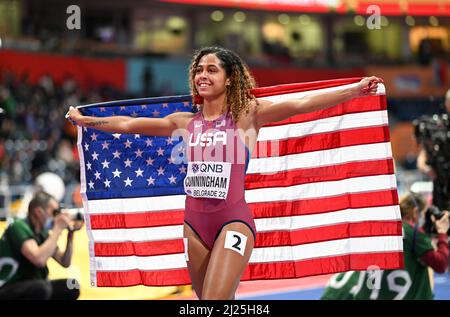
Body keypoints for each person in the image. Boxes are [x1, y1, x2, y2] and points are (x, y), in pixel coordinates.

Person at [67, 46, 383, 300]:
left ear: (230, 78)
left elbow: (302, 102)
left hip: (233, 222)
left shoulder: (247, 114)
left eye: (212, 69)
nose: (203, 74)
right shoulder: (183, 123)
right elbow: (127, 124)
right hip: (194, 226)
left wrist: (353, 90)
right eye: (199, 70)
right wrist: (85, 121)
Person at [321, 191, 449, 300]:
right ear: (416, 212)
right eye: (424, 214)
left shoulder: (382, 227)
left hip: (365, 290)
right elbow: (441, 264)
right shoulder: (413, 233)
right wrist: (442, 233)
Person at [0, 191, 83, 300]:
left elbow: (65, 262)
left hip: (34, 286)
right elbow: (39, 259)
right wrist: (57, 228)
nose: (57, 217)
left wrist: (70, 234)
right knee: (42, 288)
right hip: (9, 287)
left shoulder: (42, 233)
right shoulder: (18, 226)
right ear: (39, 212)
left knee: (72, 286)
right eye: (54, 212)